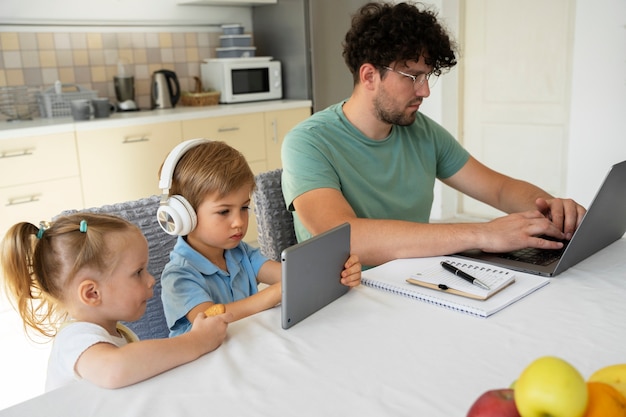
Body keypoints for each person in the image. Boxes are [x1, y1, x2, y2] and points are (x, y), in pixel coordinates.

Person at [281, 1, 587, 268]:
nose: (424, 91)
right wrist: (483, 233)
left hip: (412, 282)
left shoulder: (421, 132)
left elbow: (498, 189)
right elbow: (344, 236)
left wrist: (553, 208)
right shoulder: (308, 142)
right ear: (369, 76)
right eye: (412, 77)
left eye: (426, 76)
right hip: (342, 299)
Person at [0, 213, 230, 392]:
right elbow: (115, 369)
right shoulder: (74, 340)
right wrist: (197, 341)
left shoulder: (115, 331)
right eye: (138, 272)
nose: (151, 280)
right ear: (92, 293)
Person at [158, 140, 361, 337]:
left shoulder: (240, 252)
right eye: (224, 212)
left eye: (244, 208)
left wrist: (338, 271)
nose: (239, 221)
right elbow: (211, 318)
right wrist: (274, 293)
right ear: (184, 216)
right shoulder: (178, 276)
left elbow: (291, 276)